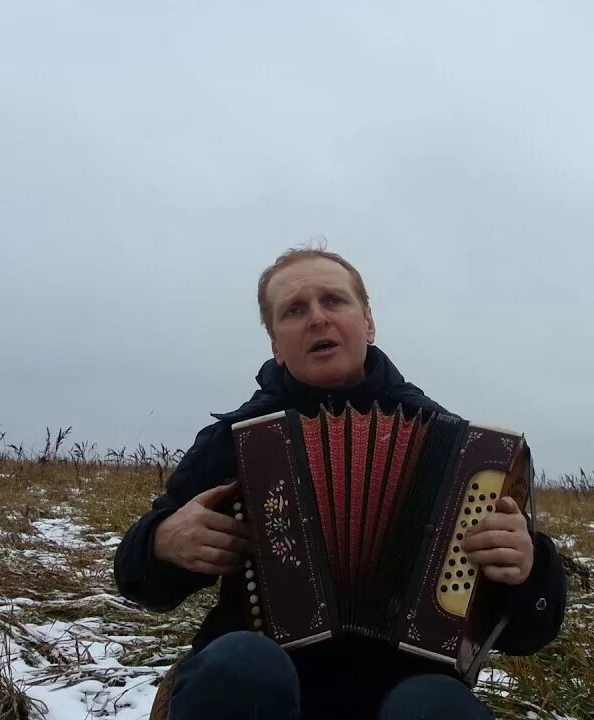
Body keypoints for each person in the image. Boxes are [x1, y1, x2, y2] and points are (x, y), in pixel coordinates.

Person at [114, 246, 567, 720]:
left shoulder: (457, 448)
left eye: (333, 301)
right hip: (263, 683)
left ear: (368, 323)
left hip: (406, 685)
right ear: (275, 344)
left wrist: (529, 567)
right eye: (294, 309)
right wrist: (162, 542)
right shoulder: (236, 441)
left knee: (436, 708)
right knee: (239, 668)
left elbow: (529, 629)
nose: (317, 318)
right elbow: (140, 580)